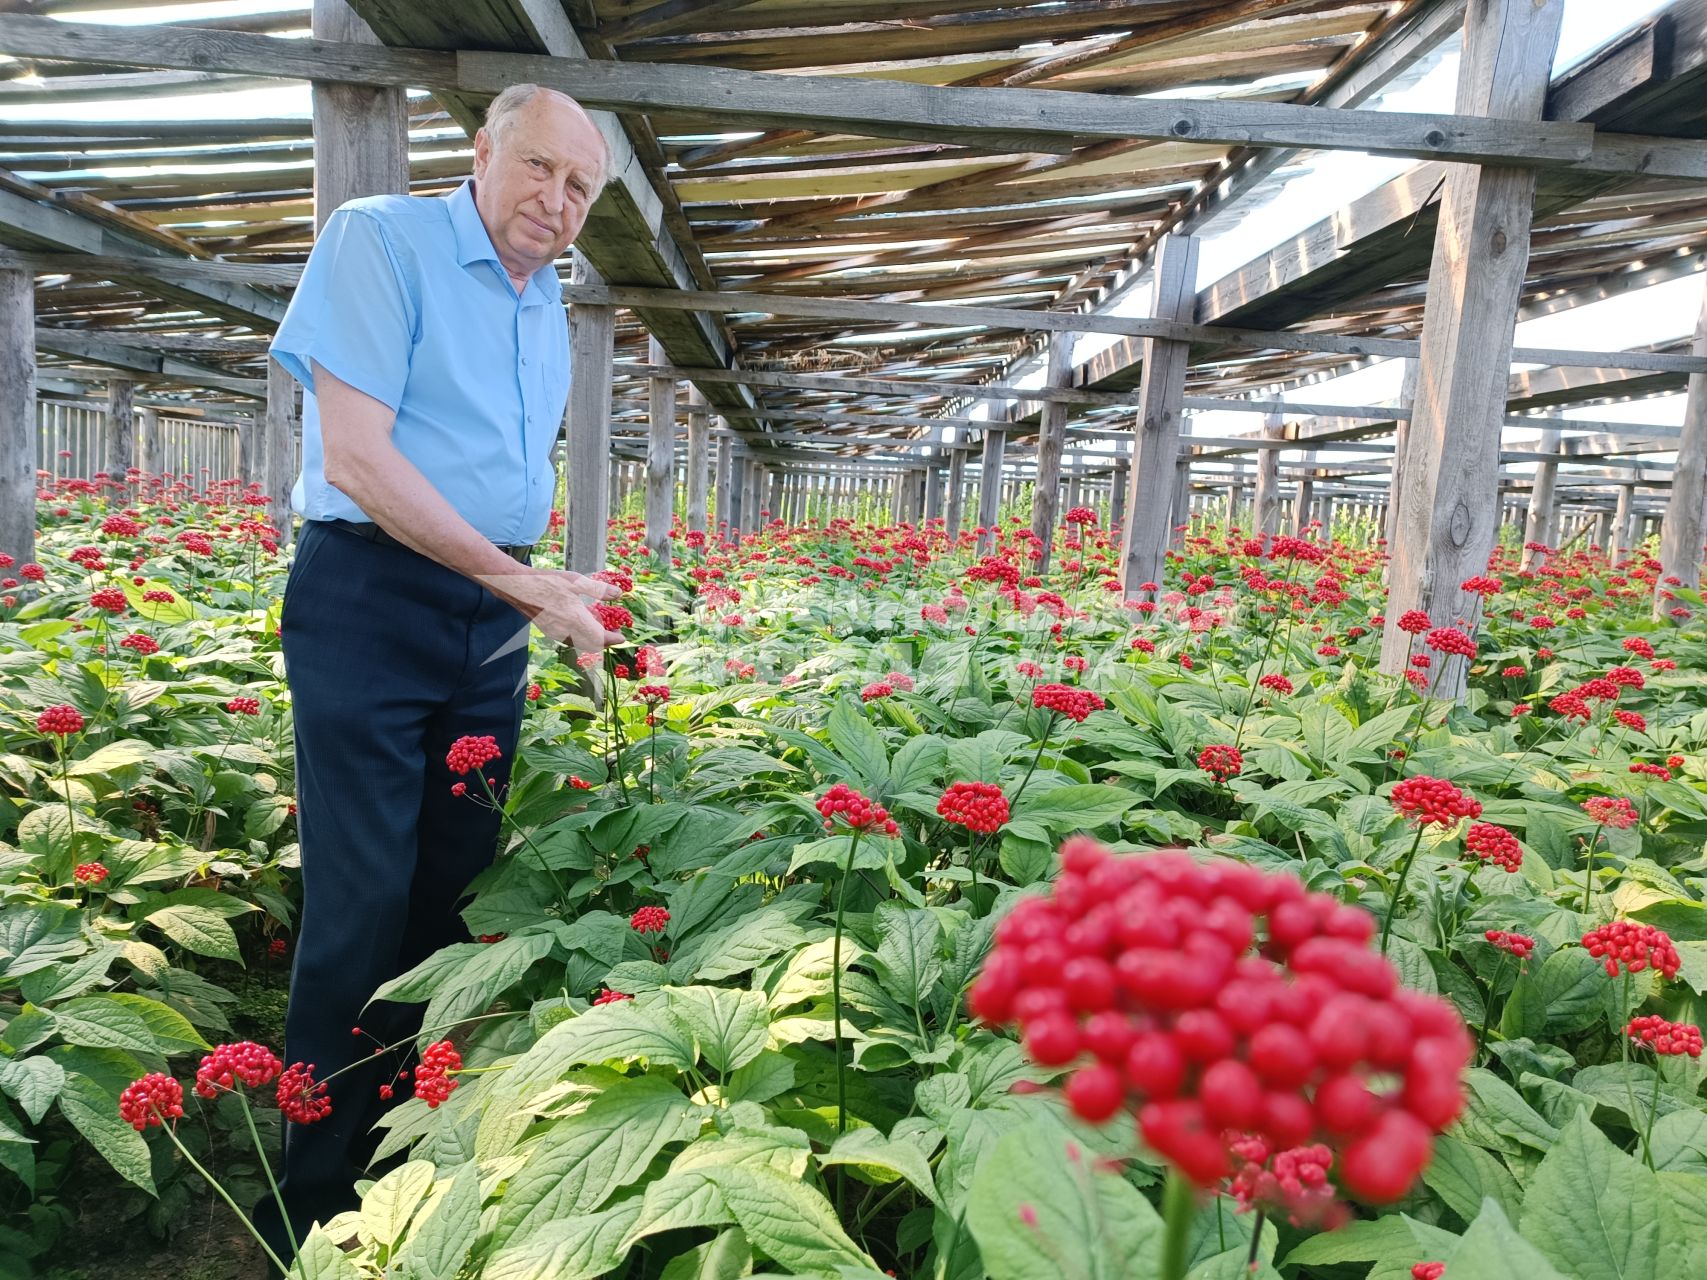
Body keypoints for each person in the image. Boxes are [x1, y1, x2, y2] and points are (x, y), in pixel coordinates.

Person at [253, 83, 623, 1267]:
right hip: (369, 594)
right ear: (483, 151)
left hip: (490, 609)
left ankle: (402, 1159)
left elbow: (504, 479)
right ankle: (309, 1203)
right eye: (540, 168)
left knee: (449, 901)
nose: (554, 201)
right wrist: (524, 586)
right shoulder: (382, 239)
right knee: (360, 902)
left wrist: (551, 589)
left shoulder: (545, 306)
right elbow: (360, 461)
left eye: (579, 190)